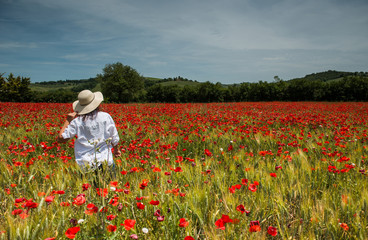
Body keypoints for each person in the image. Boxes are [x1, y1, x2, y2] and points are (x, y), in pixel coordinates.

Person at [57, 90, 121, 176]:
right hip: (105, 161)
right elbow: (114, 137)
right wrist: (116, 150)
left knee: (88, 188)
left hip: (85, 164)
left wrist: (68, 121)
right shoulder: (106, 117)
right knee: (109, 188)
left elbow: (61, 139)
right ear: (97, 104)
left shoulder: (77, 122)